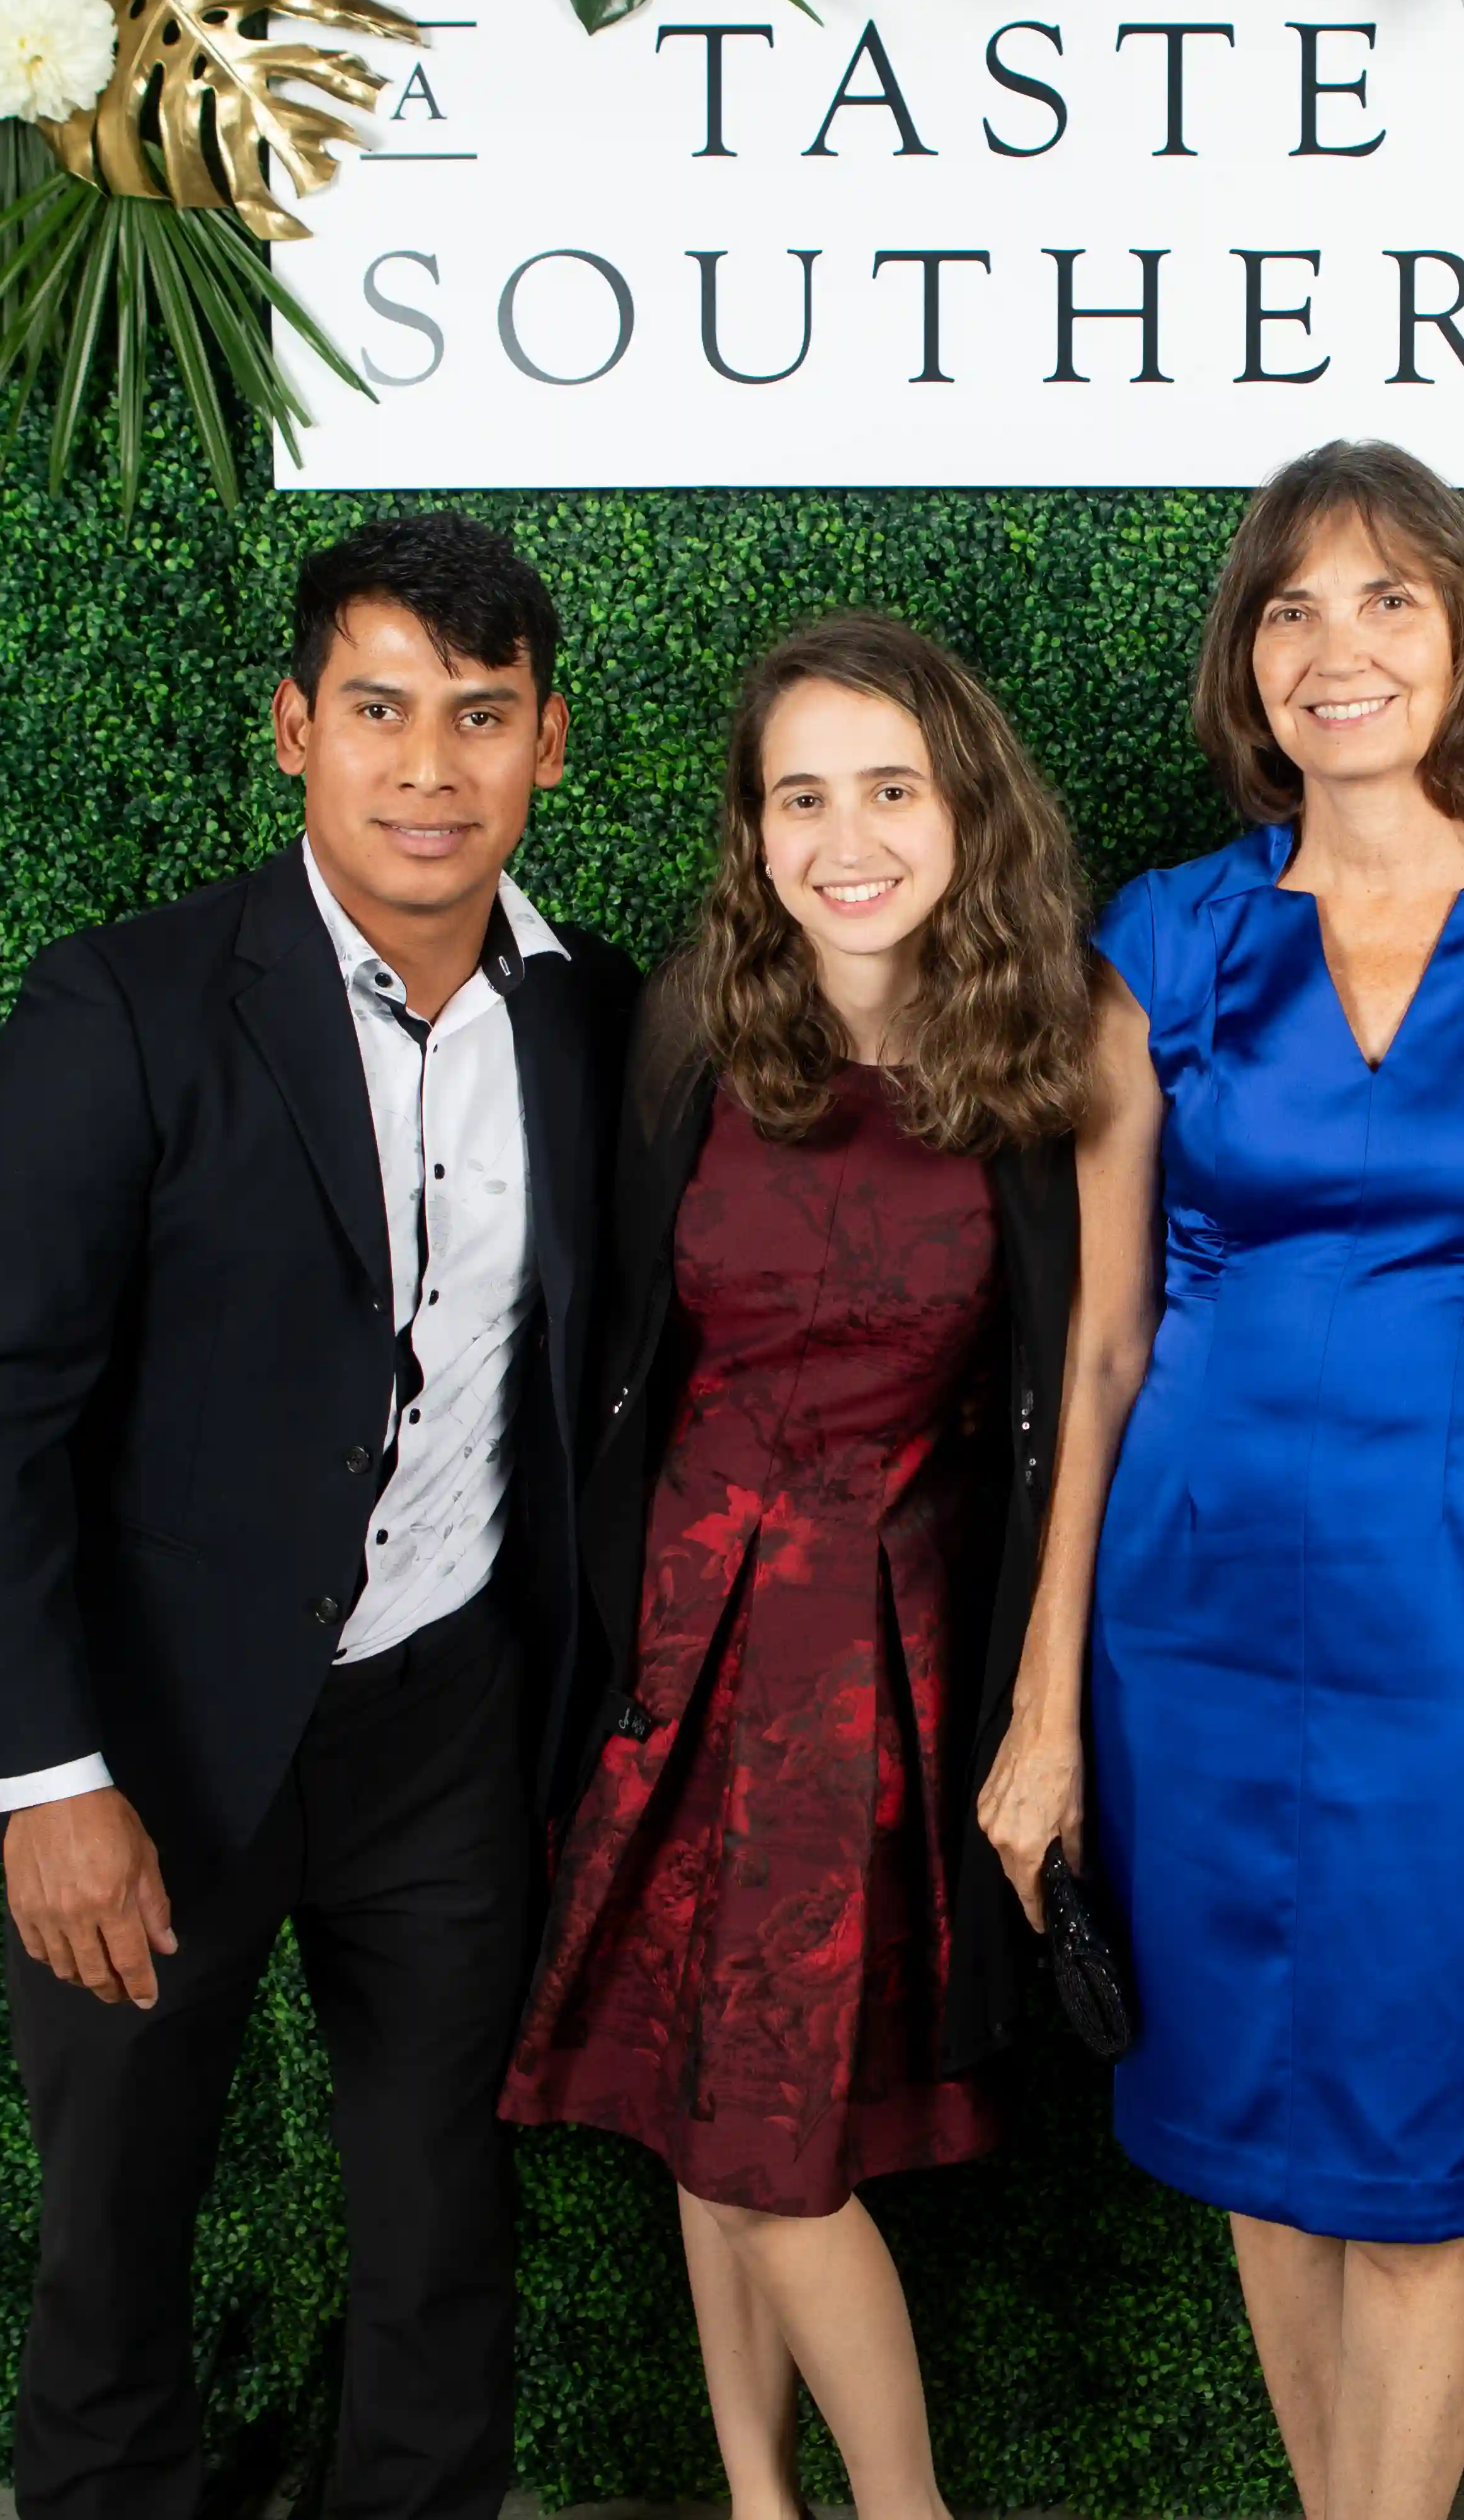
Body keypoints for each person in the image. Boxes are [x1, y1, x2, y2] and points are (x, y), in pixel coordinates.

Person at [0, 512, 637, 2520]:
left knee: (441, 2229)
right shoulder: (126, 1005)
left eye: (479, 715)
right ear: (295, 728)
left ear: (549, 741)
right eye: (380, 710)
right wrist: (50, 1777)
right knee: (115, 2234)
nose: (430, 767)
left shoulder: (592, 1015)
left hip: (445, 1729)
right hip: (154, 1742)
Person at [980, 440, 1464, 2520]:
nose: (1335, 646)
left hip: (1463, 1638)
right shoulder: (1164, 938)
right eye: (1290, 606)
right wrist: (1044, 1711)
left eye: (1388, 598)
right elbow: (1104, 1347)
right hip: (1187, 1632)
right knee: (1260, 2159)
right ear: (1246, 660)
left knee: (1420, 2177)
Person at [505, 615, 1090, 2520]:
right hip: (676, 1650)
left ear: (968, 807)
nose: (847, 841)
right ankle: (761, 2503)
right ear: (753, 830)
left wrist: (1040, 1704)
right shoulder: (693, 1021)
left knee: (771, 2149)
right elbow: (609, 1348)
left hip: (869, 1663)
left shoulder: (1050, 1050)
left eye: (891, 790)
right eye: (801, 797)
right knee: (707, 2110)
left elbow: (1086, 1382)